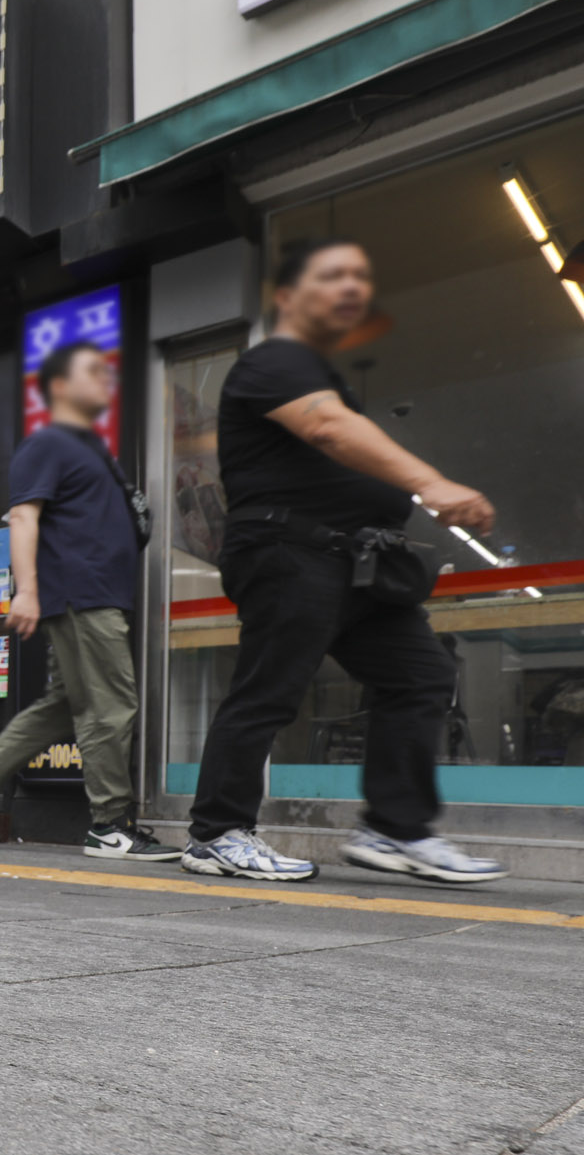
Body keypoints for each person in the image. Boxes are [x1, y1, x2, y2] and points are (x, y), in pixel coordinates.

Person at [180, 238, 506, 884]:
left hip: (356, 563)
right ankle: (217, 831)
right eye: (333, 275)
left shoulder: (316, 371)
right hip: (288, 550)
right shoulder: (275, 361)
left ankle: (396, 826)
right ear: (287, 297)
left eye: (360, 275)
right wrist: (429, 482)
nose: (352, 286)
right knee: (270, 690)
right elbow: (327, 428)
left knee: (420, 674)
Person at [0, 342, 179, 862]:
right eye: (93, 371)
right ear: (60, 386)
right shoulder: (48, 444)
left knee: (61, 708)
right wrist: (29, 590)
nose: (106, 378)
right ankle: (111, 825)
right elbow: (24, 517)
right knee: (110, 707)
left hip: (94, 595)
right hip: (82, 598)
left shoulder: (91, 450)